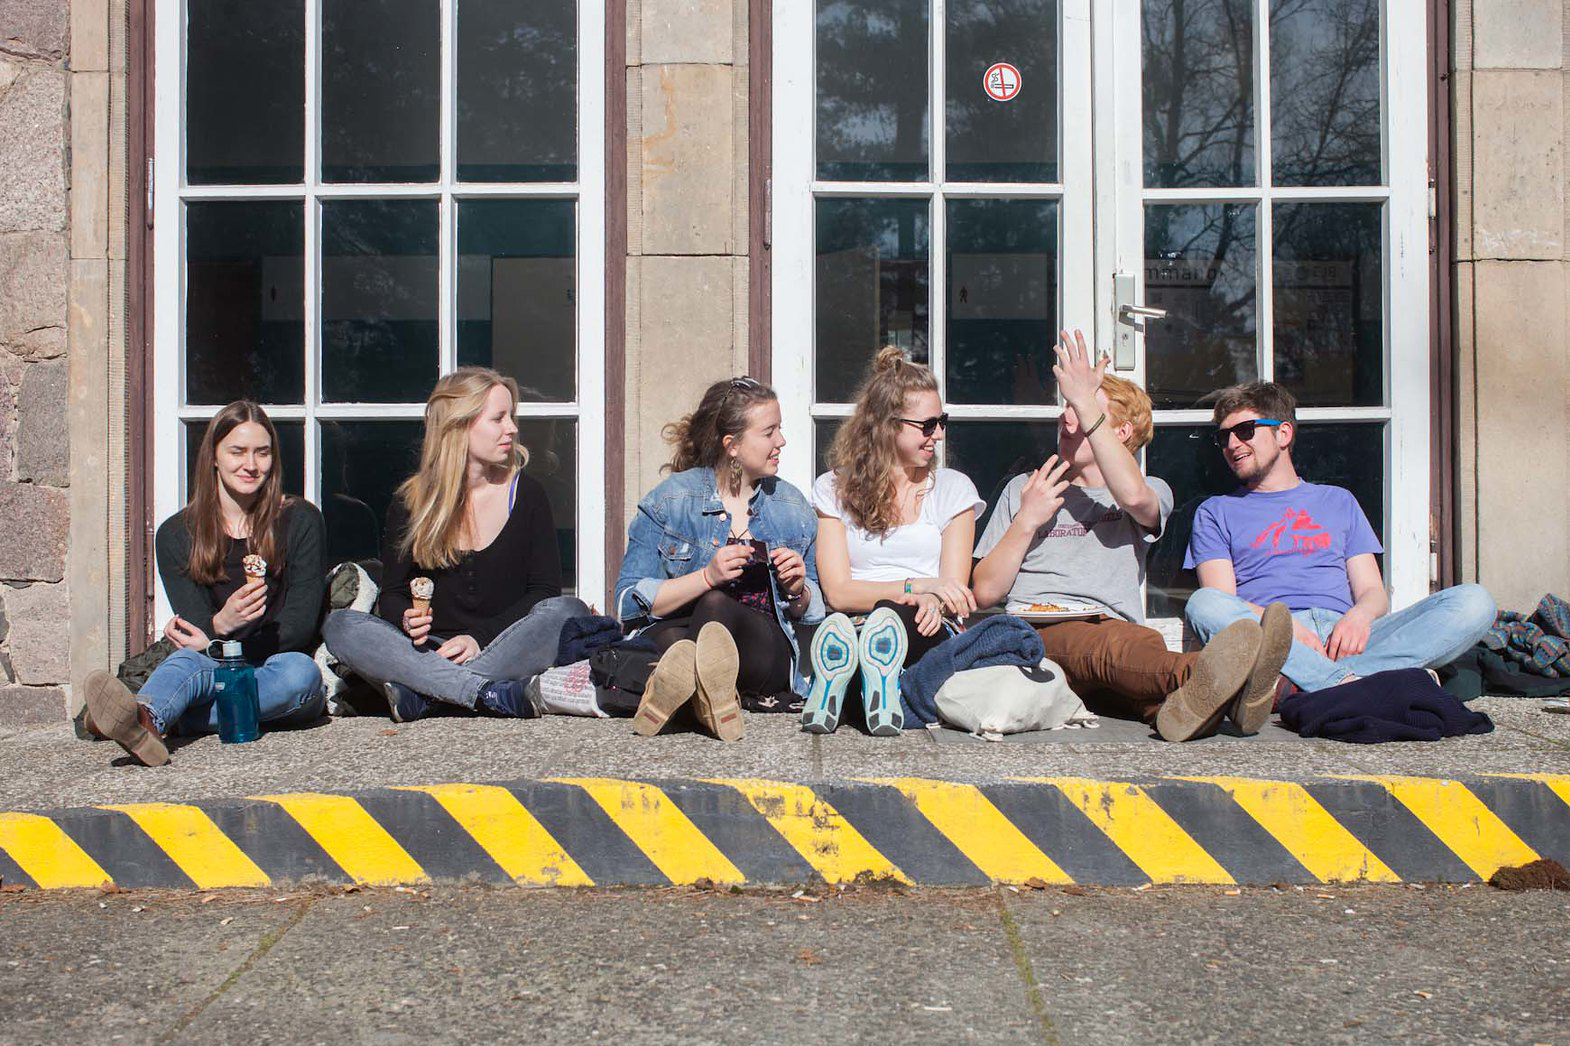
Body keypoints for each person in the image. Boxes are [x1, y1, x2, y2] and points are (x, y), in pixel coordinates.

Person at [972, 332, 1291, 741]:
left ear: (1119, 432)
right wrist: (1026, 521)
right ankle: (1236, 680)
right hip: (1035, 635)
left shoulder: (1152, 488)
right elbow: (983, 593)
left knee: (1141, 665)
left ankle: (1207, 707)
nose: (1067, 418)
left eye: (1081, 410)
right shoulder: (1025, 488)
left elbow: (1133, 497)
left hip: (1119, 640)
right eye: (1068, 407)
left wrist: (1088, 405)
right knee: (1116, 648)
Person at [1183, 381, 1497, 694]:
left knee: (1474, 602)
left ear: (1283, 434)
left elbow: (1373, 591)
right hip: (1269, 636)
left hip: (1344, 635)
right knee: (1202, 604)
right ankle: (1348, 686)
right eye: (1223, 437)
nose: (1233, 444)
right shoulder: (1215, 511)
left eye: (1245, 430)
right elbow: (1222, 600)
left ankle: (1305, 683)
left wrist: (1358, 618)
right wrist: (1284, 628)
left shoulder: (1338, 501)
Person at [323, 368, 589, 721]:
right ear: (459, 426)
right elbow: (393, 593)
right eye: (498, 418)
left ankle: (428, 695)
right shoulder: (411, 501)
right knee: (341, 626)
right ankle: (481, 692)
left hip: (501, 648)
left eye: (511, 416)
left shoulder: (527, 494)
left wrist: (478, 638)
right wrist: (406, 618)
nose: (511, 428)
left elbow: (543, 592)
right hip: (427, 652)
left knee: (568, 611)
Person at [81, 402, 327, 765]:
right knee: (184, 662)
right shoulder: (176, 535)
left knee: (300, 674)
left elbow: (299, 626)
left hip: (275, 672)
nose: (251, 465)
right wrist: (220, 625)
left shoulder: (300, 519)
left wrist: (216, 642)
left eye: (262, 452)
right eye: (237, 451)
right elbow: (195, 628)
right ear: (213, 455)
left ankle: (145, 719)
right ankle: (146, 719)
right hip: (210, 668)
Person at [615, 377, 824, 741]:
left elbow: (813, 606)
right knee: (680, 640)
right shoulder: (671, 500)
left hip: (761, 651)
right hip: (676, 632)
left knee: (714, 609)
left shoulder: (792, 508)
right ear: (733, 445)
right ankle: (710, 701)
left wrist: (797, 591)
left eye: (781, 430)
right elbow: (627, 601)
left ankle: (679, 699)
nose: (781, 442)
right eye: (769, 432)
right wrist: (707, 576)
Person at [806, 346, 984, 736]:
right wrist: (917, 585)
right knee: (856, 633)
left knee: (894, 625)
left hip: (926, 623)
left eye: (942, 421)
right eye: (927, 424)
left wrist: (931, 598)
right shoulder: (833, 490)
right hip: (855, 621)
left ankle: (853, 685)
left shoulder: (952, 490)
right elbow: (837, 592)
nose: (939, 433)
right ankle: (872, 687)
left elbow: (951, 592)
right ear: (888, 425)